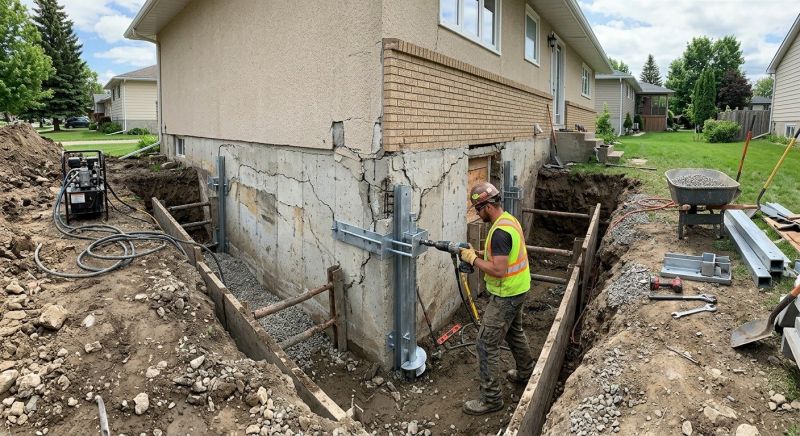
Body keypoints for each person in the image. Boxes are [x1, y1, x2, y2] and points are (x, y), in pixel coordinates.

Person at [458, 181, 535, 415]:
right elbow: (503, 255)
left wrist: (472, 260)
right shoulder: (508, 220)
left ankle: (491, 399)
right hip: (519, 288)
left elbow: (499, 270)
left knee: (485, 344)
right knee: (514, 332)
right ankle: (526, 372)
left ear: (487, 206)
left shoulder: (500, 232)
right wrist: (479, 253)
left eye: (478, 210)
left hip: (506, 295)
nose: (478, 215)